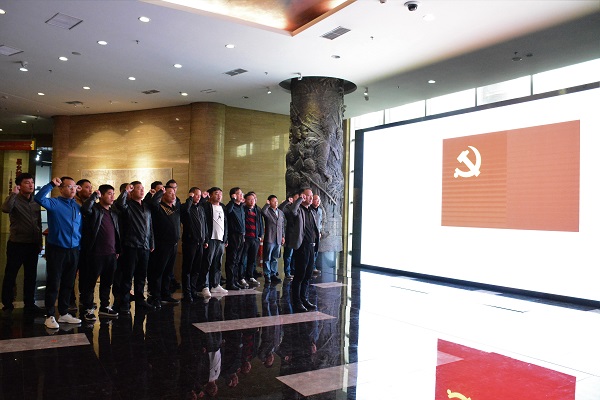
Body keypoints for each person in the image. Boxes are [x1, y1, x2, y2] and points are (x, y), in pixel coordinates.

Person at [34, 176, 83, 329]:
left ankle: (63, 313)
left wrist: (79, 247)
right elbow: (38, 198)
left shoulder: (77, 206)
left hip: (74, 250)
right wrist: (51, 184)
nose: (72, 189)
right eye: (69, 186)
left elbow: (79, 229)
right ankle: (49, 315)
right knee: (54, 282)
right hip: (57, 249)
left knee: (68, 283)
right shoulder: (54, 203)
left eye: (74, 186)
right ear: (61, 189)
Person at [1, 173, 43, 313]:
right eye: (27, 182)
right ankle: (7, 304)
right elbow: (5, 209)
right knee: (11, 274)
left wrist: (40, 242)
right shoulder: (14, 200)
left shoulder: (36, 201)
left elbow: (38, 223)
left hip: (32, 244)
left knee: (31, 276)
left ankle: (29, 303)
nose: (31, 185)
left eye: (32, 182)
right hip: (17, 244)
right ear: (19, 185)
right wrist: (13, 194)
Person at [80, 185, 121, 321]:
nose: (112, 196)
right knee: (90, 283)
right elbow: (85, 209)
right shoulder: (95, 209)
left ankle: (105, 306)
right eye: (109, 193)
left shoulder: (113, 212)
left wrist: (117, 250)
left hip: (111, 253)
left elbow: (116, 232)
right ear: (101, 195)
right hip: (95, 253)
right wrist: (94, 196)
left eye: (113, 193)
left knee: (107, 282)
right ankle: (88, 308)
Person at [114, 181, 155, 313]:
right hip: (131, 246)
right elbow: (119, 204)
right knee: (127, 276)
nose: (142, 190)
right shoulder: (127, 205)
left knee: (141, 276)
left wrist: (151, 242)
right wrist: (125, 191)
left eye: (143, 188)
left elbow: (150, 226)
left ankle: (140, 300)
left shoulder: (146, 206)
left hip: (145, 246)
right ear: (131, 192)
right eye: (138, 188)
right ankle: (124, 302)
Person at [284, 188, 319, 313]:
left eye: (311, 195)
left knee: (308, 275)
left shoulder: (311, 211)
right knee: (300, 275)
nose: (311, 198)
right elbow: (292, 210)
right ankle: (297, 301)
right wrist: (299, 199)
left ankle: (304, 299)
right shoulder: (298, 209)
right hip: (301, 247)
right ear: (303, 196)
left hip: (311, 246)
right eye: (308, 195)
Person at [146, 186, 181, 308]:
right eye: (170, 193)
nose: (173, 195)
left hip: (173, 245)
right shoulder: (158, 207)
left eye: (174, 192)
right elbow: (152, 203)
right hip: (161, 245)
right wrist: (160, 191)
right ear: (163, 195)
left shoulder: (174, 209)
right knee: (158, 272)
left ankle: (165, 294)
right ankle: (155, 296)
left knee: (168, 272)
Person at [180, 186, 207, 302]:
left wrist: (205, 239)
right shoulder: (185, 206)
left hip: (200, 242)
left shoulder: (200, 208)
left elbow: (204, 224)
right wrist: (189, 199)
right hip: (190, 242)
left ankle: (193, 290)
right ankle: (186, 292)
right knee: (188, 268)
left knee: (196, 268)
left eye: (200, 195)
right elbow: (185, 211)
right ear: (191, 195)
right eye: (196, 195)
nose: (198, 197)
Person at [201, 187, 228, 297]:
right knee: (207, 262)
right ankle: (205, 286)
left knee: (217, 263)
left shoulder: (223, 207)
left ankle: (215, 284)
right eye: (216, 193)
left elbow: (226, 223)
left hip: (220, 239)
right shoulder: (207, 206)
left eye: (220, 194)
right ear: (210, 195)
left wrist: (226, 238)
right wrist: (203, 198)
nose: (219, 196)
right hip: (211, 238)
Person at [224, 187, 245, 290]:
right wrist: (232, 200)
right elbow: (227, 211)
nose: (242, 195)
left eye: (242, 193)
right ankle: (230, 282)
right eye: (239, 194)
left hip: (241, 236)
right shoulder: (230, 206)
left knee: (237, 260)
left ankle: (235, 281)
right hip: (233, 236)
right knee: (231, 260)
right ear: (234, 195)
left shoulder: (241, 207)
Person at [241, 193, 263, 287]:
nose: (252, 201)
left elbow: (260, 223)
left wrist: (260, 235)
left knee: (252, 259)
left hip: (255, 238)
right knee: (243, 259)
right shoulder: (243, 209)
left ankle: (250, 276)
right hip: (246, 238)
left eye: (253, 199)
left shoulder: (257, 210)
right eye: (249, 199)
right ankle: (241, 277)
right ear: (245, 200)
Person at [261, 195, 284, 285]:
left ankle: (273, 274)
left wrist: (283, 236)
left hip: (278, 238)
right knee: (267, 257)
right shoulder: (268, 211)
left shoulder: (280, 212)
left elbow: (282, 226)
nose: (276, 203)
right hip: (270, 238)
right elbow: (263, 212)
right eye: (273, 201)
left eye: (276, 201)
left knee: (275, 258)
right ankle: (267, 274)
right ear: (269, 202)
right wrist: (266, 205)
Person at [310, 194, 325, 275]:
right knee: (310, 251)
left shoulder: (320, 210)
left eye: (319, 200)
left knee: (316, 251)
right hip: (310, 233)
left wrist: (320, 231)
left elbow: (320, 222)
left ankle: (313, 267)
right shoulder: (309, 210)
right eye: (316, 199)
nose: (318, 201)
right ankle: (310, 267)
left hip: (317, 233)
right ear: (312, 200)